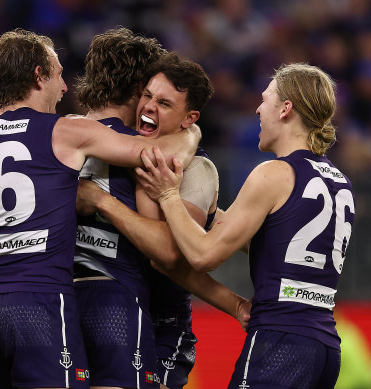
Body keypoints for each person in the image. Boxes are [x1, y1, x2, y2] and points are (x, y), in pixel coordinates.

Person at [0, 28, 200, 389]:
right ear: (38, 75)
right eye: (57, 73)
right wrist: (192, 132)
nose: (65, 88)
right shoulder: (65, 133)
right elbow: (160, 157)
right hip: (43, 297)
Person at [136, 63, 356, 389]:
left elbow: (203, 254)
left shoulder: (273, 174)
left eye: (265, 99)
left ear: (286, 109)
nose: (257, 109)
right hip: (325, 348)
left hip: (280, 340)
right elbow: (277, 243)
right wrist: (208, 214)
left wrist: (168, 195)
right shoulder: (340, 181)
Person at [76, 52, 250, 389]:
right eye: (147, 96)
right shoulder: (115, 147)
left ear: (190, 118)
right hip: (106, 308)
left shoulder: (198, 171)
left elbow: (170, 258)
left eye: (165, 103)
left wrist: (236, 304)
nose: (150, 107)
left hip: (163, 325)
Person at [71, 27, 166, 389]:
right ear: (140, 85)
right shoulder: (144, 148)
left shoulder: (54, 135)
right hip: (115, 295)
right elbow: (167, 252)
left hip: (54, 298)